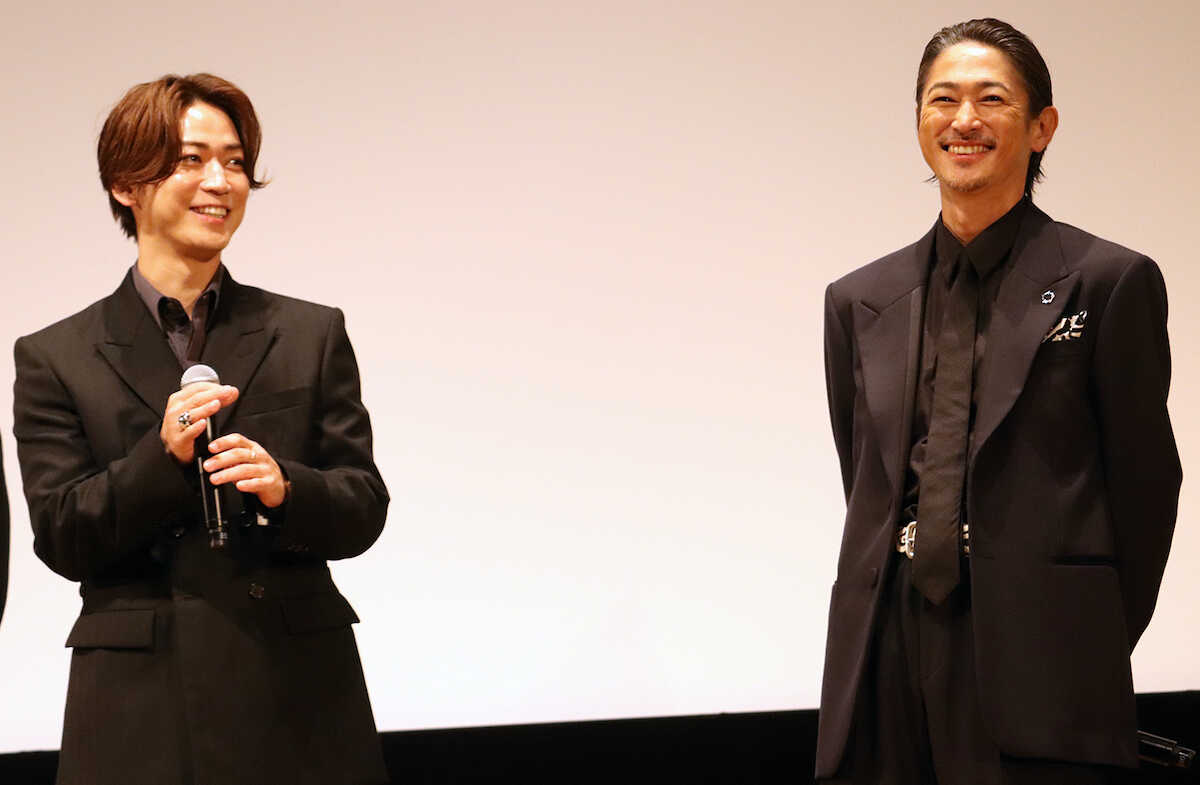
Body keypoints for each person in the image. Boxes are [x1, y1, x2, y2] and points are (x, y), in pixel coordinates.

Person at [816, 18, 1181, 785]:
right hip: (886, 644)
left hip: (1040, 653)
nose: (964, 120)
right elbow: (868, 482)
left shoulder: (1108, 282)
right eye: (942, 100)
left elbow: (1147, 486)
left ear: (1042, 126)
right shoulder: (860, 300)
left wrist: (1083, 634)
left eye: (992, 100)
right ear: (919, 122)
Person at [13, 74, 389, 785]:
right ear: (126, 184)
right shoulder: (55, 355)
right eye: (191, 159)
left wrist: (284, 488)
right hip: (140, 712)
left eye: (236, 161)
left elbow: (363, 504)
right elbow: (61, 532)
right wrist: (161, 460)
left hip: (298, 699)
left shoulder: (308, 332)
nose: (220, 180)